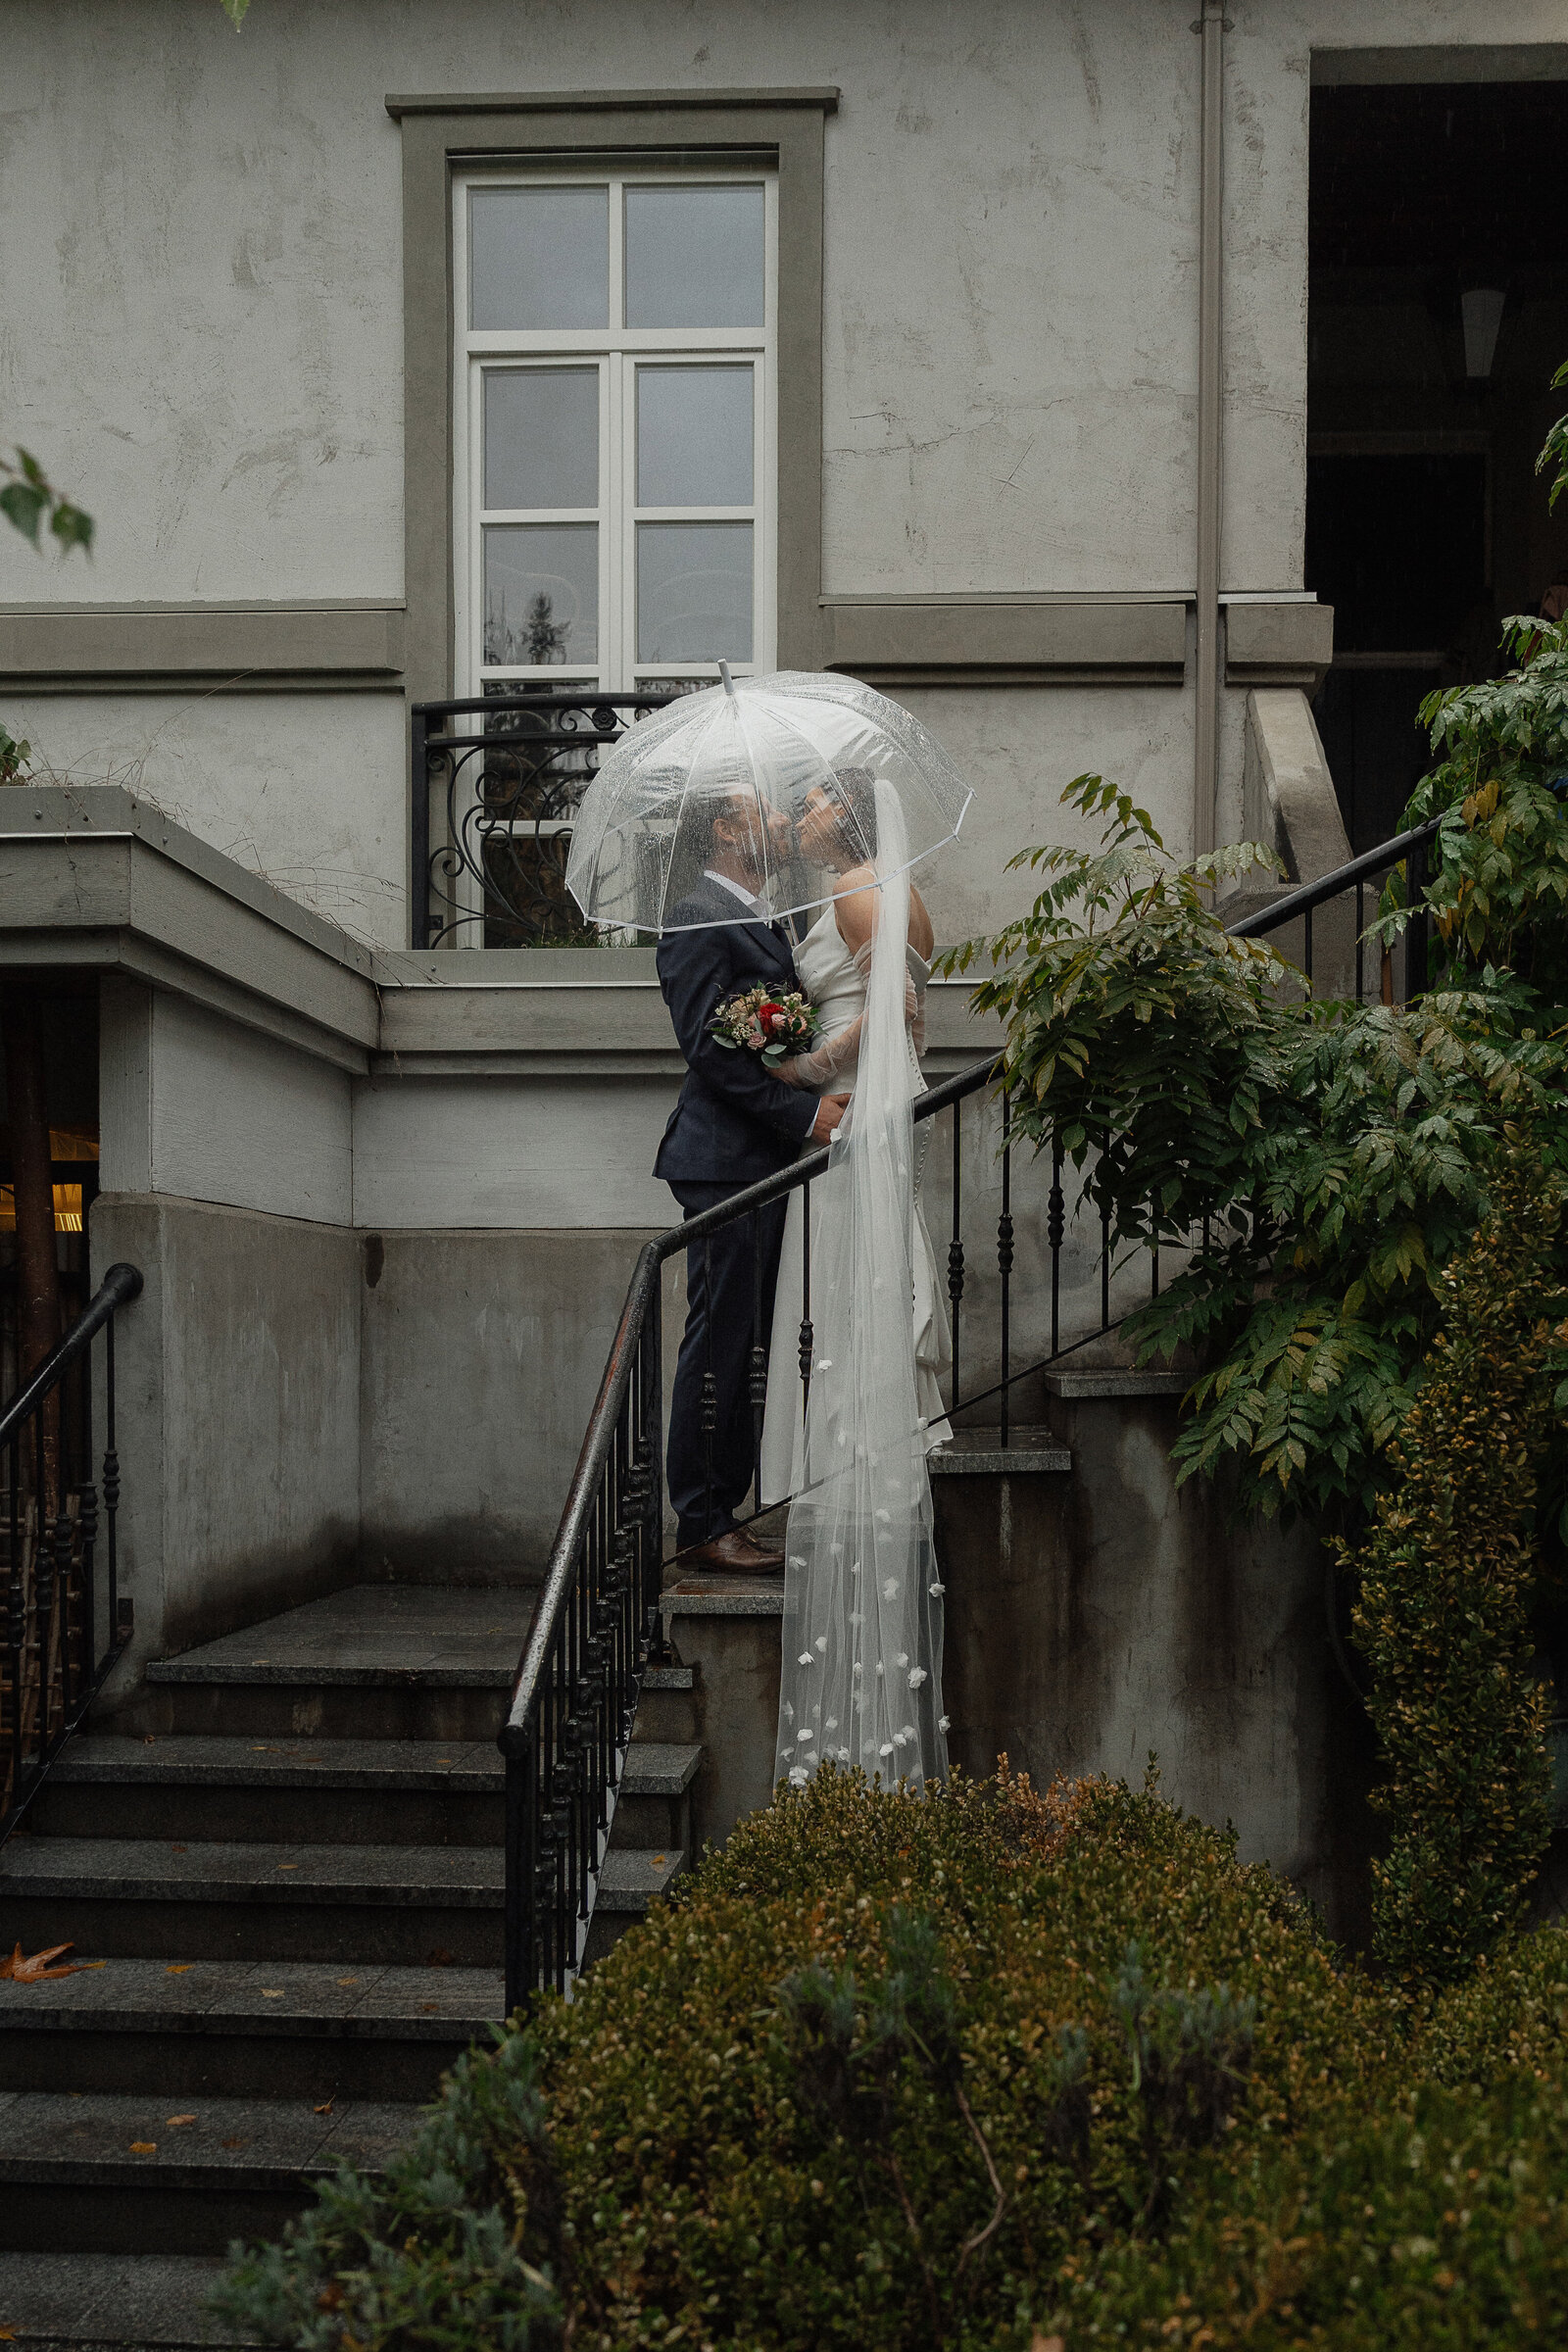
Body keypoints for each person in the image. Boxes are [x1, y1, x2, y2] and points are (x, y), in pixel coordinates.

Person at [655, 785, 848, 1573]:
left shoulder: (771, 916)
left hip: (757, 1162)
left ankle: (723, 1508)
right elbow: (709, 1049)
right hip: (722, 1162)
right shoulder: (699, 914)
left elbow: (766, 1039)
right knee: (722, 1342)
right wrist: (803, 1117)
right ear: (728, 829)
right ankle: (702, 1524)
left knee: (749, 1340)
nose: (779, 820)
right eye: (765, 809)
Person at [758, 768, 953, 1509]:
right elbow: (914, 1017)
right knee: (873, 1266)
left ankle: (856, 1467)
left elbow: (889, 1011)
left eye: (809, 804)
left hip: (855, 1105)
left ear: (847, 814)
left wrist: (798, 1066)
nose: (799, 818)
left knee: (849, 1274)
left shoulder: (854, 885)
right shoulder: (901, 888)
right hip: (888, 1096)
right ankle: (875, 1458)